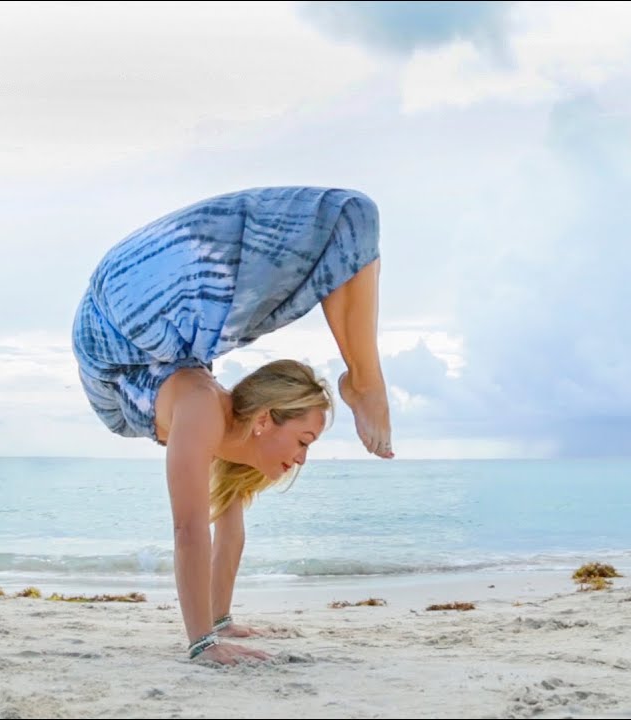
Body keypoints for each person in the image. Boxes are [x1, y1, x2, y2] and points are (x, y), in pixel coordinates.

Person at [71, 186, 394, 665]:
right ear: (264, 419)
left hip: (144, 351)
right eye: (304, 439)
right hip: (119, 322)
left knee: (352, 220)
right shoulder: (203, 407)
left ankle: (365, 380)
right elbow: (189, 531)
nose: (303, 457)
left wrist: (220, 621)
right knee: (352, 215)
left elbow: (229, 536)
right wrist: (203, 642)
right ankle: (367, 382)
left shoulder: (222, 426)